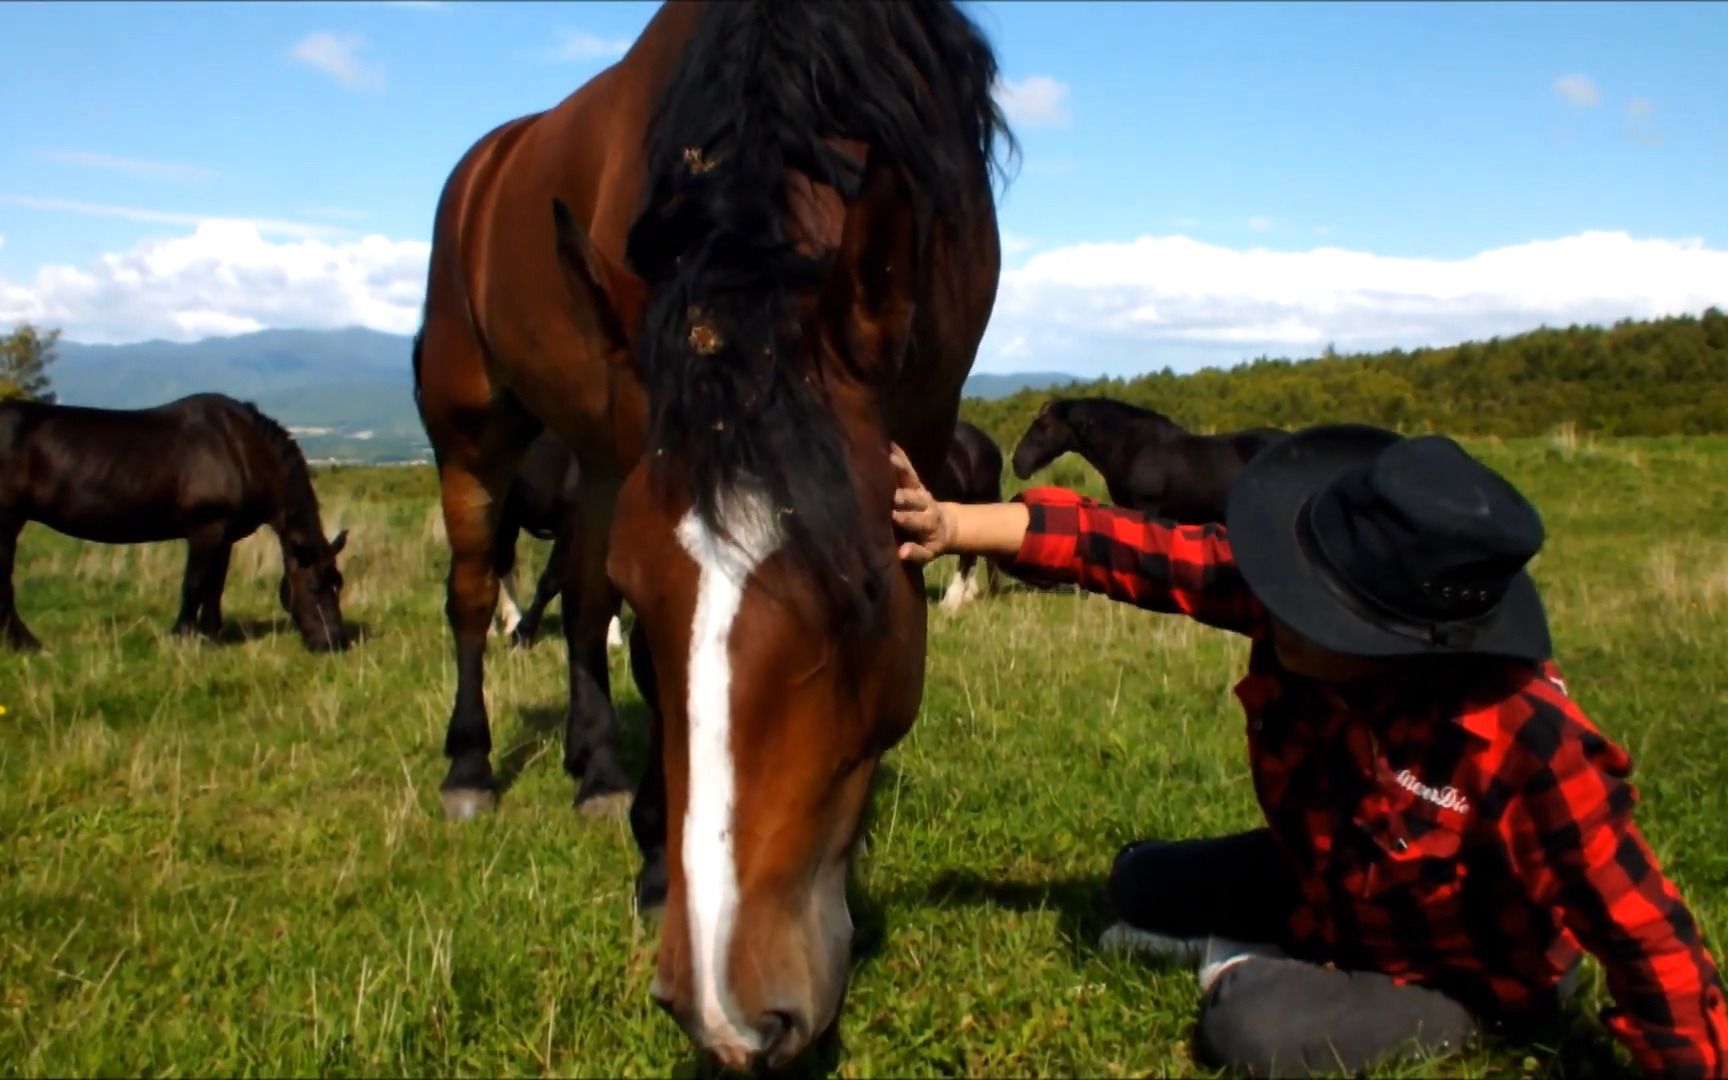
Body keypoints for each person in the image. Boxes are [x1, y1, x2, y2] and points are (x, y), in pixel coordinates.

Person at [888, 423, 1727, 1077]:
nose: (1277, 603)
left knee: (1252, 1030)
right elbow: (1130, 549)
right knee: (1136, 881)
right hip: (1325, 879)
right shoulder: (1284, 600)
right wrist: (953, 522)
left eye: (1314, 607)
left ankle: (1257, 969)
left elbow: (1651, 942)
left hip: (1457, 970)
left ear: (1404, 641)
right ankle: (1276, 945)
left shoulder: (1527, 740)